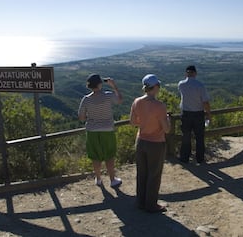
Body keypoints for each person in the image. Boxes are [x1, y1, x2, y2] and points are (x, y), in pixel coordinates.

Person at [130, 74, 171, 213]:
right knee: (154, 174)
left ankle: (140, 202)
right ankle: (151, 205)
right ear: (156, 87)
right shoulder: (160, 106)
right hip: (156, 144)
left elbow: (133, 122)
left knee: (142, 173)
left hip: (141, 141)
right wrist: (167, 120)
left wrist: (145, 122)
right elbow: (166, 129)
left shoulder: (136, 102)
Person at [78, 74, 123, 188]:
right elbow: (119, 100)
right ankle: (112, 180)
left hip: (92, 131)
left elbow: (82, 118)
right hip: (107, 130)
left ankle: (98, 179)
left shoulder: (86, 99)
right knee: (109, 155)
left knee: (95, 156)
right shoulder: (108, 96)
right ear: (99, 84)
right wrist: (114, 86)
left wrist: (92, 117)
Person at [178, 65, 211, 164]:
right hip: (198, 114)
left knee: (186, 137)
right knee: (200, 138)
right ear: (195, 73)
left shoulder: (181, 84)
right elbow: (205, 102)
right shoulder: (200, 85)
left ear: (186, 73)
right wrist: (208, 114)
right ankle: (200, 159)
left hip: (186, 114)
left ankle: (184, 158)